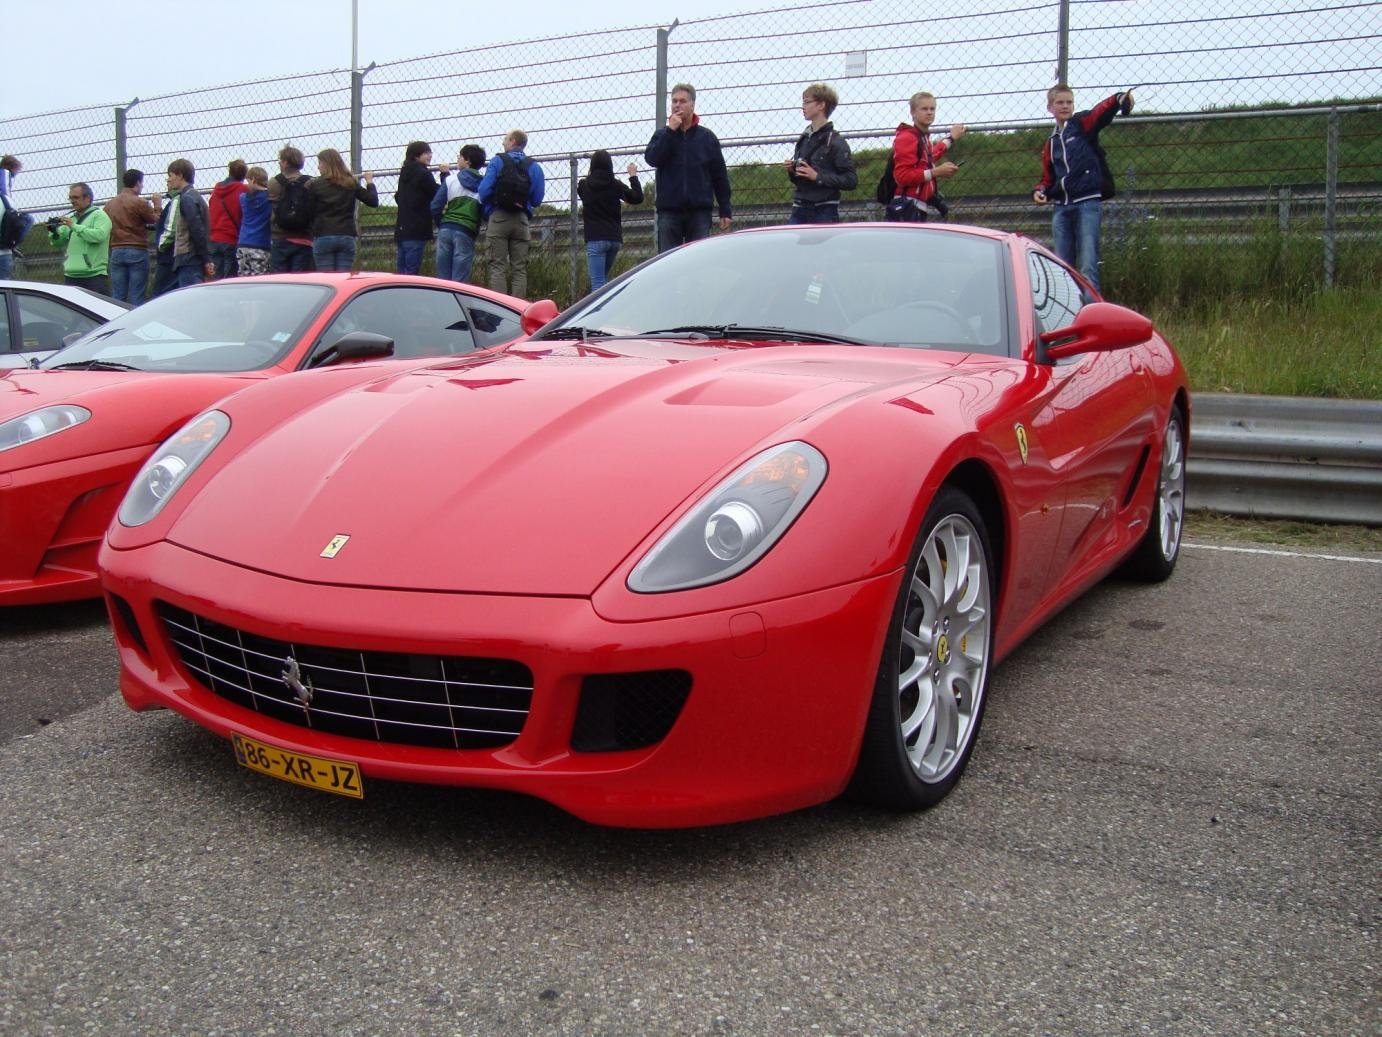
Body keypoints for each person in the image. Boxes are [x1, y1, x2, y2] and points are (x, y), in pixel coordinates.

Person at [1033, 84, 1134, 291]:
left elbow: (1100, 112)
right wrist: (1039, 192)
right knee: (1062, 267)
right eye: (1060, 102)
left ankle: (1091, 307)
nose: (1065, 106)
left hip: (1087, 204)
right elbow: (1047, 178)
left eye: (1069, 102)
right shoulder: (1051, 143)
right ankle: (1070, 309)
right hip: (1061, 207)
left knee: (1088, 265)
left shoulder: (1081, 125)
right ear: (1050, 107)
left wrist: (1118, 99)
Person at [644, 83, 732, 252]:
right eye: (674, 101)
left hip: (699, 212)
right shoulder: (662, 135)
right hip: (669, 211)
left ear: (692, 105)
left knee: (698, 259)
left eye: (682, 101)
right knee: (668, 261)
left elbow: (719, 176)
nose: (677, 105)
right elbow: (652, 159)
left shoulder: (707, 138)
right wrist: (670, 132)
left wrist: (725, 209)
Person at [477, 130, 544, 298]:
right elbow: (537, 199)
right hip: (521, 220)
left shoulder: (497, 161)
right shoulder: (534, 166)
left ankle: (499, 308)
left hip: (498, 217)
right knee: (519, 268)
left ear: (513, 140)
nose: (503, 142)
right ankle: (518, 308)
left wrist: (492, 203)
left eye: (505, 139)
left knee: (497, 266)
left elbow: (483, 191)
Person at [783, 83, 857, 224]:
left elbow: (851, 180)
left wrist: (817, 177)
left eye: (807, 102)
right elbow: (800, 180)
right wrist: (793, 171)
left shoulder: (836, 141)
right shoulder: (804, 138)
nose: (803, 107)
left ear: (821, 105)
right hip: (799, 207)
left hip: (824, 209)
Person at [887, 91, 965, 223]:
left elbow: (929, 158)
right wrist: (936, 172)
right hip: (906, 207)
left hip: (915, 206)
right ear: (913, 112)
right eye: (924, 109)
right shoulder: (908, 137)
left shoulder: (922, 137)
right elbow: (902, 176)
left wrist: (951, 138)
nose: (929, 112)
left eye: (932, 109)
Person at [576, 150, 642, 292]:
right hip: (614, 238)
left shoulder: (584, 185)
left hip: (595, 238)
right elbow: (637, 198)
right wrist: (633, 176)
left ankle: (599, 307)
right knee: (603, 281)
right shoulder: (616, 185)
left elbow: (583, 194)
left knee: (597, 283)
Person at [307, 148, 377, 272]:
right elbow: (372, 201)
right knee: (343, 277)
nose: (318, 167)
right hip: (346, 234)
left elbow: (309, 211)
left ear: (326, 164)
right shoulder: (350, 182)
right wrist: (369, 182)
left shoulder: (316, 185)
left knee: (325, 278)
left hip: (323, 234)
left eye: (320, 163)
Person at [103, 169, 161, 303]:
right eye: (142, 183)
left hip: (116, 250)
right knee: (137, 294)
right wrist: (157, 205)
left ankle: (116, 315)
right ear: (138, 183)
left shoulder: (109, 205)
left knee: (118, 295)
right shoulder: (140, 202)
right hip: (137, 249)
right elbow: (155, 220)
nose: (142, 186)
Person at [430, 145, 486, 284]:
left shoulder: (450, 180)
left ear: (467, 161)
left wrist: (442, 224)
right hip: (467, 230)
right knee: (460, 280)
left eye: (460, 156)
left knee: (443, 279)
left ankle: (442, 297)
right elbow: (485, 213)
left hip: (446, 228)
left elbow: (435, 207)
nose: (457, 159)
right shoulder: (484, 185)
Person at [48, 182, 112, 296]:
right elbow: (57, 243)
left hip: (93, 276)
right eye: (70, 198)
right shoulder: (71, 219)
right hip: (71, 276)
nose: (72, 201)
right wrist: (53, 232)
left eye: (76, 197)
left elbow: (99, 236)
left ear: (87, 198)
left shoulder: (100, 216)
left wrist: (74, 226)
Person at [166, 159, 213, 288]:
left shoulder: (187, 198)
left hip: (189, 257)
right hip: (194, 257)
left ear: (180, 175)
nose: (169, 179)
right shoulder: (195, 196)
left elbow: (196, 228)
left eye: (171, 175)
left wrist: (205, 258)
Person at [268, 145, 314, 272]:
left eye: (280, 160)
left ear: (285, 162)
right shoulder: (310, 182)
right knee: (299, 278)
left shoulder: (273, 182)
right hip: (304, 237)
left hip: (280, 236)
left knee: (279, 278)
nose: (279, 163)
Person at [394, 141, 437, 275]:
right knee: (412, 273)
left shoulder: (404, 173)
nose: (430, 156)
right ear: (416, 155)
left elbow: (398, 197)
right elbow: (437, 193)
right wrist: (444, 175)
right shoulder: (423, 174)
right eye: (426, 153)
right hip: (417, 229)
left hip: (402, 229)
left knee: (401, 273)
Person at [208, 158, 249, 279]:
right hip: (231, 238)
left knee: (217, 279)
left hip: (214, 238)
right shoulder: (243, 190)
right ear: (244, 175)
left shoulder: (216, 190)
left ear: (229, 171)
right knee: (230, 279)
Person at [236, 166, 273, 276]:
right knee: (260, 279)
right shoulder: (269, 198)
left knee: (243, 278)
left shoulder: (243, 198)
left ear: (252, 180)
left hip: (243, 243)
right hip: (261, 244)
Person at [0, 155, 25, 279]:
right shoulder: (5, 173)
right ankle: (13, 245)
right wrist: (11, 209)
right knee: (27, 220)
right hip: (6, 207)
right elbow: (5, 192)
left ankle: (13, 245)